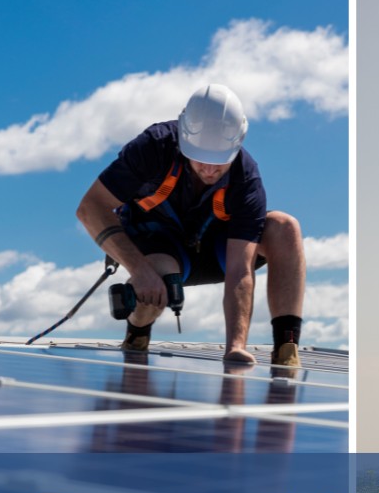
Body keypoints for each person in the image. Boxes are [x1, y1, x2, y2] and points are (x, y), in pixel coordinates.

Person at [76, 84, 306, 366]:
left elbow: (239, 270)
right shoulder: (154, 147)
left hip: (217, 251)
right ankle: (138, 333)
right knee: (160, 272)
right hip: (159, 245)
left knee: (285, 227)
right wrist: (139, 269)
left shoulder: (246, 177)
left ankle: (287, 347)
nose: (209, 170)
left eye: (219, 162)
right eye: (201, 159)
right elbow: (90, 208)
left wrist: (236, 347)